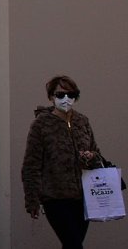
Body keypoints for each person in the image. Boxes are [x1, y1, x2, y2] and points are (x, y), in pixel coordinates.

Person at [21, 75, 103, 249]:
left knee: (73, 243)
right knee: (73, 244)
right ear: (51, 97)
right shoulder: (41, 124)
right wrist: (32, 200)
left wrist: (91, 156)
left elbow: (97, 154)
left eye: (70, 94)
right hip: (55, 197)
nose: (66, 99)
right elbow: (31, 164)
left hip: (83, 197)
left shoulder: (82, 121)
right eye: (60, 95)